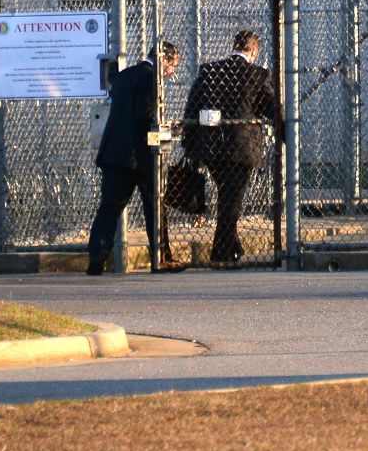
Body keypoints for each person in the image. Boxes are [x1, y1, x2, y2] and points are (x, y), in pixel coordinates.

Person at [181, 30, 281, 265]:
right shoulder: (257, 74)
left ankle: (233, 246)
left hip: (211, 146)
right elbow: (271, 107)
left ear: (234, 45)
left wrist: (190, 143)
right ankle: (221, 251)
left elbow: (192, 107)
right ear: (254, 51)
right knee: (232, 198)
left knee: (228, 194)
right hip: (241, 148)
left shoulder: (210, 71)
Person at [86, 41, 180, 275]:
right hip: (141, 155)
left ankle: (96, 258)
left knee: (109, 207)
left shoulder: (124, 76)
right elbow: (146, 114)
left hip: (114, 153)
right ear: (164, 60)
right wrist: (169, 130)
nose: (172, 72)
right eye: (173, 65)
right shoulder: (152, 80)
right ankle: (161, 257)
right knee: (154, 207)